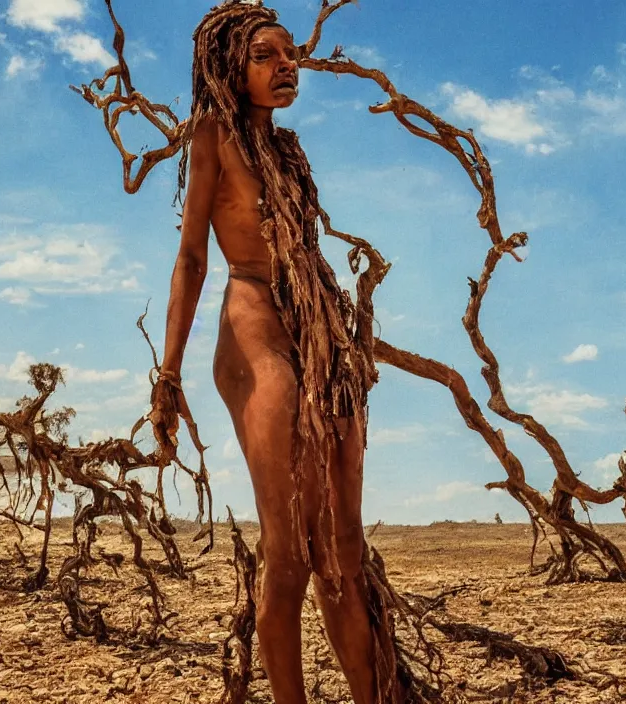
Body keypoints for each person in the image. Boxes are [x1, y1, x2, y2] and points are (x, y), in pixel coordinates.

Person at [148, 2, 400, 702]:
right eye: (266, 55)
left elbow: (305, 248)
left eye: (289, 55)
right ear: (231, 66)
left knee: (342, 555)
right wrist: (167, 377)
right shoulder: (211, 136)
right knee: (287, 555)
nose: (286, 65)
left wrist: (338, 338)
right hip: (254, 328)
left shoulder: (287, 150)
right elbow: (192, 258)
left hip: (317, 334)